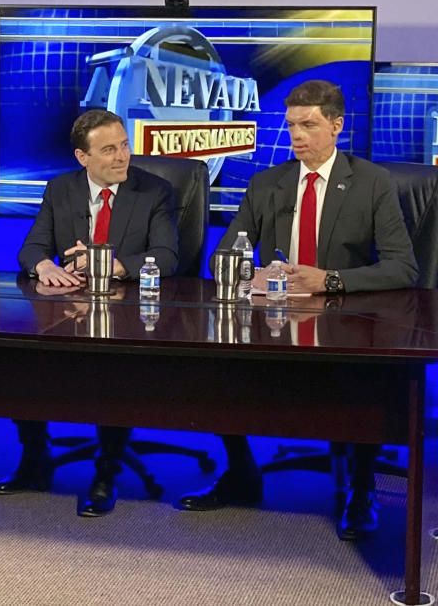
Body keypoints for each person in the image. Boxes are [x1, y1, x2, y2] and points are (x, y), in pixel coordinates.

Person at [178, 80, 418, 541]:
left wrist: (328, 280)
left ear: (336, 126)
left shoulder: (371, 182)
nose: (297, 135)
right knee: (212, 362)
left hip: (344, 318)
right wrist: (252, 276)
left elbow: (402, 266)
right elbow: (222, 257)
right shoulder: (268, 182)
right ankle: (242, 472)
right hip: (272, 317)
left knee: (365, 379)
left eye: (308, 125)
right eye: (291, 126)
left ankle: (362, 488)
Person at [0, 108, 178, 516]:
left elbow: (168, 256)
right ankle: (34, 458)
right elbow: (31, 249)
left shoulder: (155, 191)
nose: (122, 157)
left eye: (125, 146)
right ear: (83, 158)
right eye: (109, 149)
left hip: (130, 314)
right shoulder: (61, 189)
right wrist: (45, 266)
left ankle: (106, 471)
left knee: (112, 371)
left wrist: (110, 265)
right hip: (70, 312)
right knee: (18, 357)